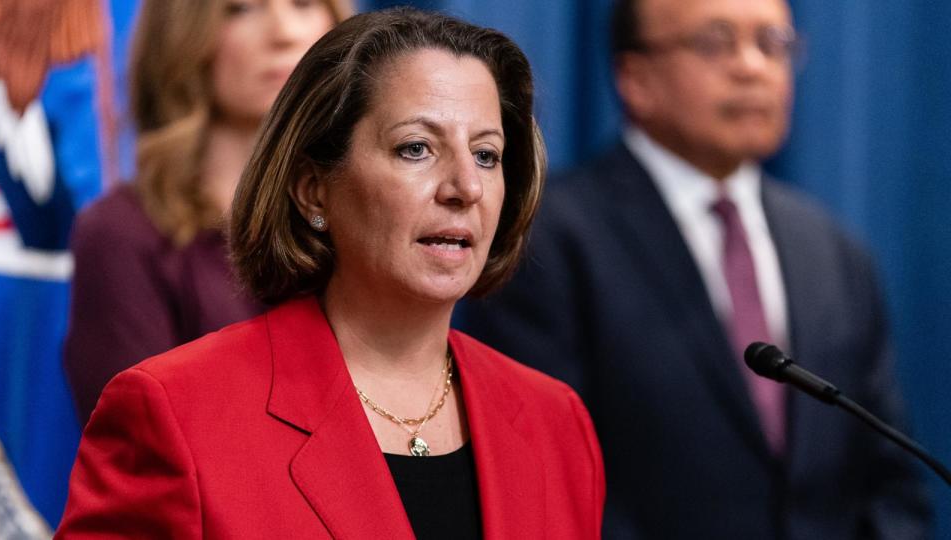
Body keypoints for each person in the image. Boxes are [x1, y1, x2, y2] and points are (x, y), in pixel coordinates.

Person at [56, 8, 605, 538]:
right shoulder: (175, 412)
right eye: (416, 149)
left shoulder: (557, 423)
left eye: (487, 155)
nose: (466, 187)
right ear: (313, 189)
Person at [460, 0, 932, 537]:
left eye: (772, 44)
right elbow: (545, 472)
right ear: (635, 78)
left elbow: (891, 484)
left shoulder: (837, 254)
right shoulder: (547, 241)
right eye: (716, 42)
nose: (752, 68)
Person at [62, 0, 351, 425]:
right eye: (241, 9)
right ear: (182, 39)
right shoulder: (120, 234)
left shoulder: (365, 218)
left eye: (304, 3)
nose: (284, 32)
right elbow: (141, 445)